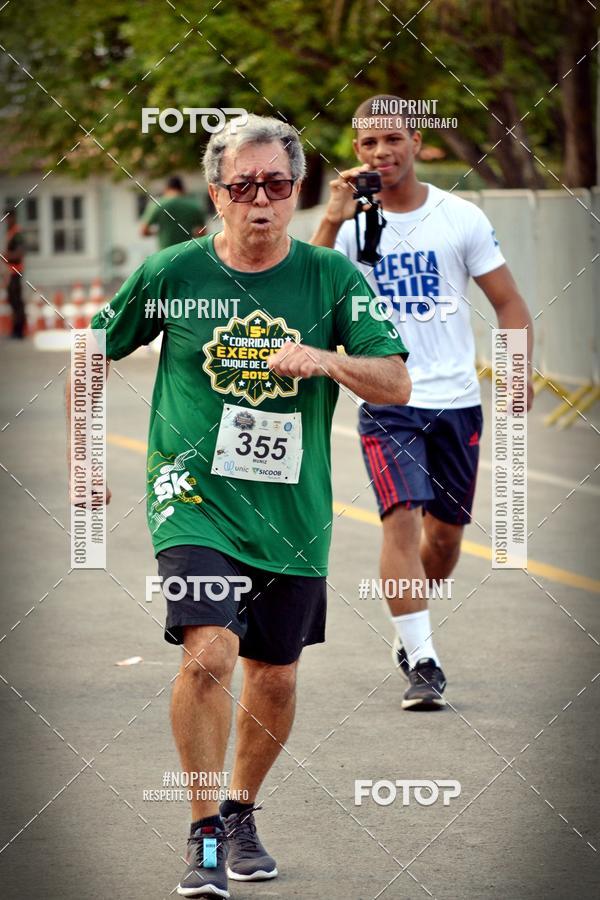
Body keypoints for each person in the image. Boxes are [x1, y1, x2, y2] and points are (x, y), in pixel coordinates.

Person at [68, 114, 410, 898]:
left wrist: (328, 359)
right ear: (217, 194)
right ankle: (202, 834)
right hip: (189, 496)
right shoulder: (173, 275)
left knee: (276, 676)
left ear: (297, 193)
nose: (262, 200)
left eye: (279, 185)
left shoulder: (331, 278)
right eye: (244, 185)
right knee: (211, 649)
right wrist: (84, 457)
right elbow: (91, 349)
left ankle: (241, 811)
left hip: (291, 511)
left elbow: (396, 380)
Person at [311, 94, 534, 711]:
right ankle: (424, 659)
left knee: (445, 540)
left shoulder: (458, 217)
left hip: (457, 399)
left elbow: (509, 302)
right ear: (356, 153)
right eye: (367, 144)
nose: (381, 152)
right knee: (400, 517)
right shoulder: (352, 230)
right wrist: (331, 218)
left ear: (417, 143)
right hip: (387, 396)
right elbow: (309, 295)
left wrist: (517, 370)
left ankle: (412, 624)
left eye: (393, 140)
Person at [140, 175, 206, 249]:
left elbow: (144, 231)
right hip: (186, 252)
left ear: (166, 188)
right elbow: (203, 232)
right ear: (182, 189)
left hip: (165, 252)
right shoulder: (194, 205)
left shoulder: (158, 204)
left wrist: (159, 232)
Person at [3, 208, 26, 339]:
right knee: (12, 301)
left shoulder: (17, 233)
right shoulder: (11, 233)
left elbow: (19, 253)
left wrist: (6, 256)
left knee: (17, 301)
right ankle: (15, 329)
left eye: (8, 217)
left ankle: (19, 331)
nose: (7, 220)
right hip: (10, 272)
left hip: (16, 271)